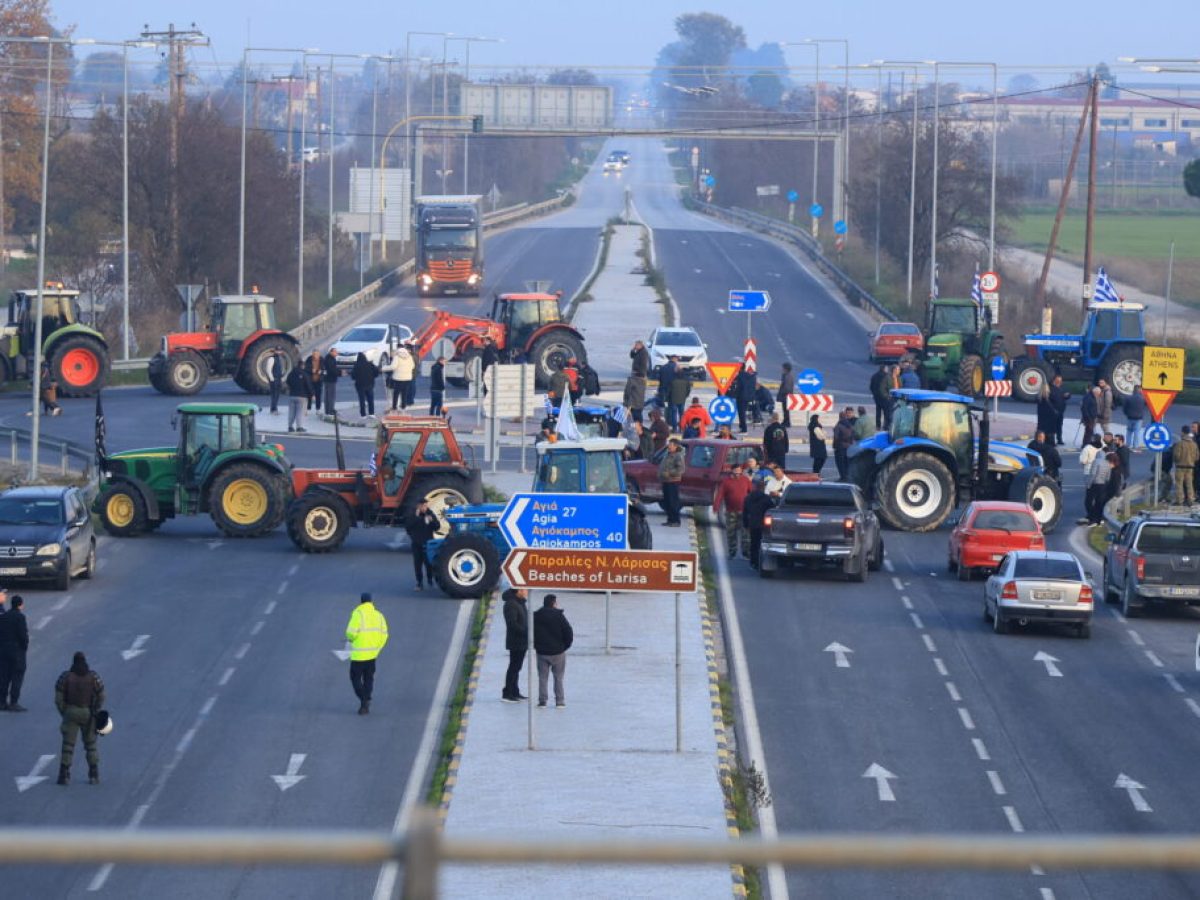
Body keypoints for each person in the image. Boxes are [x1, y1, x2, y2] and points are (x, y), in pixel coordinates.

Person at [54, 651, 105, 785]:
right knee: (90, 744)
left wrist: (64, 712)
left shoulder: (65, 677)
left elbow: (58, 699)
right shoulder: (93, 676)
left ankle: (64, 774)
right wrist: (95, 709)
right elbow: (102, 695)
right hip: (88, 713)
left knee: (68, 745)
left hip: (70, 712)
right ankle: (94, 773)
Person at [345, 593, 388, 715]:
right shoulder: (379, 616)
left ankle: (364, 700)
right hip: (372, 655)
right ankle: (366, 699)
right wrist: (377, 648)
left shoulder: (358, 614)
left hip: (358, 656)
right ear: (371, 602)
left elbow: (350, 633)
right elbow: (384, 634)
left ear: (361, 602)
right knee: (369, 679)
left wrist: (352, 639)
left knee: (355, 678)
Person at [534, 594, 573, 708]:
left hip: (542, 652)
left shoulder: (536, 616)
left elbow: (531, 632)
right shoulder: (559, 616)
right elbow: (568, 632)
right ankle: (559, 701)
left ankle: (542, 701)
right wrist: (564, 646)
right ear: (554, 603)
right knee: (558, 678)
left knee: (542, 677)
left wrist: (537, 646)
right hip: (558, 652)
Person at [713, 462, 751, 557]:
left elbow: (752, 493)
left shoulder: (745, 480)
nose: (738, 473)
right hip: (731, 512)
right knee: (731, 532)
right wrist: (716, 506)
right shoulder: (726, 482)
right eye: (736, 471)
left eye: (739, 471)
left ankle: (745, 552)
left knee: (745, 533)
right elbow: (720, 494)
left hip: (744, 511)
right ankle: (732, 551)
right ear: (732, 471)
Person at [405, 499, 442, 590]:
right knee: (417, 564)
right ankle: (419, 583)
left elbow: (437, 527)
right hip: (416, 543)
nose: (425, 507)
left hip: (428, 543)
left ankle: (430, 579)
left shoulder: (430, 513)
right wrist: (416, 518)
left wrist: (432, 521)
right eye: (423, 506)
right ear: (419, 506)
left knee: (429, 563)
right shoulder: (413, 514)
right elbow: (408, 527)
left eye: (426, 505)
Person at [0, 593, 29, 711]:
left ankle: (1, 702)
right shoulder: (20, 617)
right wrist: (24, 647)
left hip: (3, 651)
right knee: (17, 676)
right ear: (20, 605)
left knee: (4, 677)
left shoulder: (3, 616)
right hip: (17, 651)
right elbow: (23, 636)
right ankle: (13, 702)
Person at [501, 587, 530, 702]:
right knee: (514, 667)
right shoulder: (511, 604)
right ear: (518, 591)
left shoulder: (520, 603)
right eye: (524, 590)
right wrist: (526, 633)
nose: (526, 592)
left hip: (522, 641)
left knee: (517, 667)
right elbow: (512, 624)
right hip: (516, 641)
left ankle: (515, 691)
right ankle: (508, 692)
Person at [742, 480, 775, 570]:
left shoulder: (748, 498)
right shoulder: (767, 499)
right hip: (763, 525)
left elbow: (745, 513)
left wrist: (746, 524)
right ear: (763, 488)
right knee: (763, 544)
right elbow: (772, 511)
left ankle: (753, 562)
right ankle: (762, 562)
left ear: (755, 487)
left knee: (754, 544)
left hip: (752, 524)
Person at [659, 438, 685, 527]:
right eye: (668, 444)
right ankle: (670, 520)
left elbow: (681, 469)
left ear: (675, 446)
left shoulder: (678, 456)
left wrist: (669, 473)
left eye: (670, 445)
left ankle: (676, 520)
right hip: (666, 481)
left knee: (673, 502)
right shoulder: (668, 454)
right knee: (667, 502)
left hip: (673, 482)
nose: (668, 446)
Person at [1085, 448, 1113, 525]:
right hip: (1103, 484)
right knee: (1099, 502)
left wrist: (1089, 484)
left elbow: (1093, 474)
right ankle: (1099, 518)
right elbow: (1108, 476)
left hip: (1095, 484)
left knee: (1088, 501)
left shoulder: (1096, 462)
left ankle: (1092, 517)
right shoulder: (1107, 463)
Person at [385, 343, 416, 411]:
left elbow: (393, 367)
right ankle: (403, 407)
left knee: (396, 393)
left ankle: (394, 407)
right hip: (407, 378)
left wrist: (383, 368)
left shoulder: (397, 357)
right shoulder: (409, 357)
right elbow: (413, 366)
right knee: (404, 393)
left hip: (398, 378)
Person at [1172, 427, 1199, 504]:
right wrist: (1192, 461)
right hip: (1190, 467)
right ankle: (1190, 500)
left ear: (1183, 432)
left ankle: (1179, 500)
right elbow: (1197, 456)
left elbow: (1176, 455)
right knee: (1189, 484)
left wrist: (1176, 461)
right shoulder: (1194, 444)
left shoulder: (1179, 444)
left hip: (1180, 466)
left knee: (1179, 484)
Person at [285, 360, 311, 433]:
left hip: (292, 395)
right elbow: (308, 385)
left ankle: (290, 426)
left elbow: (288, 382)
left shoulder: (291, 373)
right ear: (302, 366)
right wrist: (311, 393)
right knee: (300, 412)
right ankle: (299, 427)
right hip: (302, 396)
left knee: (291, 412)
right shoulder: (304, 374)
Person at [352, 352, 378, 418]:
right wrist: (372, 377)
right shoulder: (370, 364)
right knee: (370, 399)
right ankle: (371, 413)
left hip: (360, 385)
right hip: (370, 384)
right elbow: (376, 372)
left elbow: (353, 376)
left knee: (362, 400)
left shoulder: (356, 365)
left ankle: (363, 414)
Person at [832, 408, 856, 481]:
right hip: (849, 446)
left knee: (840, 463)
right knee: (847, 463)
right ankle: (847, 476)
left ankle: (843, 477)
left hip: (840, 447)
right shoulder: (850, 426)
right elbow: (853, 435)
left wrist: (834, 446)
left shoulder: (839, 426)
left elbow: (836, 437)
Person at [733, 363, 757, 434]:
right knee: (743, 413)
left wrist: (734, 394)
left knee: (741, 413)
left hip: (740, 397)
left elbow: (738, 387)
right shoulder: (750, 376)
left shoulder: (740, 376)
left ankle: (744, 429)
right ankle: (742, 427)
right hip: (748, 397)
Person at [870, 364, 893, 431]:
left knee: (878, 412)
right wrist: (888, 395)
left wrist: (874, 394)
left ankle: (878, 426)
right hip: (885, 397)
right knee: (886, 412)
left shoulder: (874, 376)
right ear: (885, 369)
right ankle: (886, 426)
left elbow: (871, 387)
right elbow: (890, 386)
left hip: (877, 397)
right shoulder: (887, 376)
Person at [1048, 375, 1069, 445]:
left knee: (1059, 426)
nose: (1059, 382)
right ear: (1054, 380)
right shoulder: (1051, 388)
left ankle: (1059, 439)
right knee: (1052, 427)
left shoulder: (1062, 388)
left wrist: (1067, 395)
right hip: (1053, 411)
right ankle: (1052, 441)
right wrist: (1061, 395)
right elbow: (1051, 397)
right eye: (1058, 380)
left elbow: (1067, 394)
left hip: (1061, 411)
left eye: (1060, 380)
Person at [1124, 386, 1146, 450]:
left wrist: (1127, 414)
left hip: (1130, 417)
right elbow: (1143, 407)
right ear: (1139, 390)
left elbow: (1124, 408)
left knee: (1129, 431)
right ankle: (1135, 446)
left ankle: (1128, 445)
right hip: (1139, 418)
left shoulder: (1129, 398)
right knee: (1137, 432)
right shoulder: (1142, 398)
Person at [777, 363, 796, 428]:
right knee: (785, 410)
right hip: (787, 396)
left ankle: (787, 422)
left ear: (786, 369)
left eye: (783, 368)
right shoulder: (788, 376)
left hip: (786, 396)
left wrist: (782, 393)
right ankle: (785, 421)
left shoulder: (787, 376)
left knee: (786, 410)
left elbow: (786, 387)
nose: (782, 369)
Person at [323, 348, 340, 414]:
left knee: (328, 396)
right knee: (331, 396)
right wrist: (340, 373)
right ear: (331, 352)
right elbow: (332, 370)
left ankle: (327, 410)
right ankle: (330, 410)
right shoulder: (330, 360)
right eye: (335, 352)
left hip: (327, 379)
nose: (337, 354)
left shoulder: (328, 358)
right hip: (330, 380)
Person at [268, 349, 285, 414]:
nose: (279, 352)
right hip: (274, 379)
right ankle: (273, 409)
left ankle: (275, 408)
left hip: (279, 379)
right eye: (277, 351)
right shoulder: (272, 359)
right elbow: (268, 370)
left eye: (280, 351)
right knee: (274, 395)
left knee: (277, 395)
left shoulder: (280, 359)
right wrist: (272, 379)